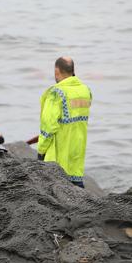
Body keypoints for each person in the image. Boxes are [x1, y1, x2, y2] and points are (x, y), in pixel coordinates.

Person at [37, 57, 92, 188]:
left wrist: (41, 151)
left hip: (58, 156)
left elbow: (48, 126)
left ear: (57, 71)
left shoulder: (56, 93)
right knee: (77, 188)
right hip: (77, 152)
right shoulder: (86, 91)